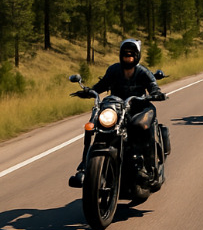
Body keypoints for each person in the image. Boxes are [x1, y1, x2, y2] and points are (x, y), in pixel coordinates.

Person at [68, 38, 166, 188]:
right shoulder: (114, 70)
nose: (128, 58)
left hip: (138, 107)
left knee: (141, 125)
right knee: (94, 123)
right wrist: (89, 91)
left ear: (137, 56)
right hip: (117, 108)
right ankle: (84, 166)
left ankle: (149, 170)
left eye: (131, 55)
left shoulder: (142, 71)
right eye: (125, 55)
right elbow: (102, 85)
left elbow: (153, 85)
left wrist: (156, 93)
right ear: (121, 55)